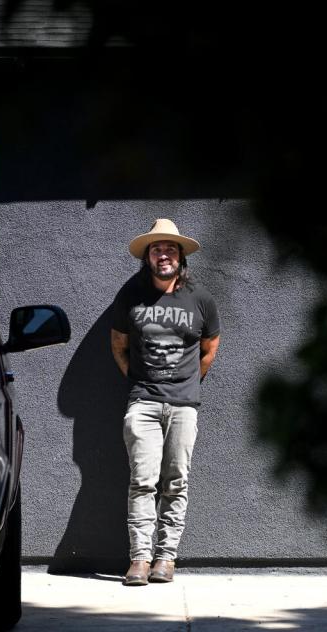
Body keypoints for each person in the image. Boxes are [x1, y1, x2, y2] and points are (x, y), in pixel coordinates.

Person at [110, 218, 221, 586]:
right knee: (142, 481)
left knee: (176, 481)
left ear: (180, 256)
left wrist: (189, 382)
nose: (164, 255)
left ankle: (166, 558)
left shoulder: (200, 298)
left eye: (170, 248)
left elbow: (209, 347)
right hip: (142, 402)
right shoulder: (130, 295)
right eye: (156, 249)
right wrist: (138, 380)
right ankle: (140, 559)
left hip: (184, 404)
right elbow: (119, 344)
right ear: (147, 257)